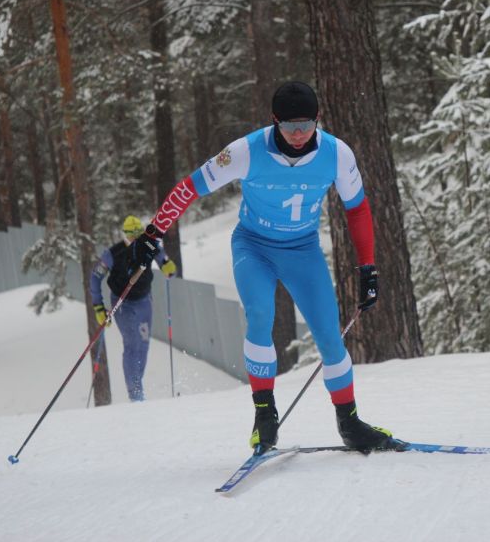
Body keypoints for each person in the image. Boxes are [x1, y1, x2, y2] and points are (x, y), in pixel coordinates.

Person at [129, 81, 400, 453]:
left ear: (318, 118)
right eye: (289, 126)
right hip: (253, 246)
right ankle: (265, 416)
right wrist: (153, 232)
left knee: (330, 337)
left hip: (303, 250)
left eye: (306, 125)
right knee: (260, 314)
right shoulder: (245, 151)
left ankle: (350, 423)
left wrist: (368, 267)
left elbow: (357, 208)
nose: (299, 134)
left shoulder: (337, 154)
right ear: (275, 121)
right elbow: (190, 187)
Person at [91, 215, 177, 401]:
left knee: (143, 346)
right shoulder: (113, 253)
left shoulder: (148, 245)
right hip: (122, 303)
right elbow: (95, 277)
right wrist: (99, 307)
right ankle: (135, 395)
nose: (135, 240)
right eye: (131, 237)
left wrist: (168, 267)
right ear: (125, 235)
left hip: (144, 301)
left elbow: (164, 260)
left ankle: (137, 386)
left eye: (138, 236)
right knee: (132, 345)